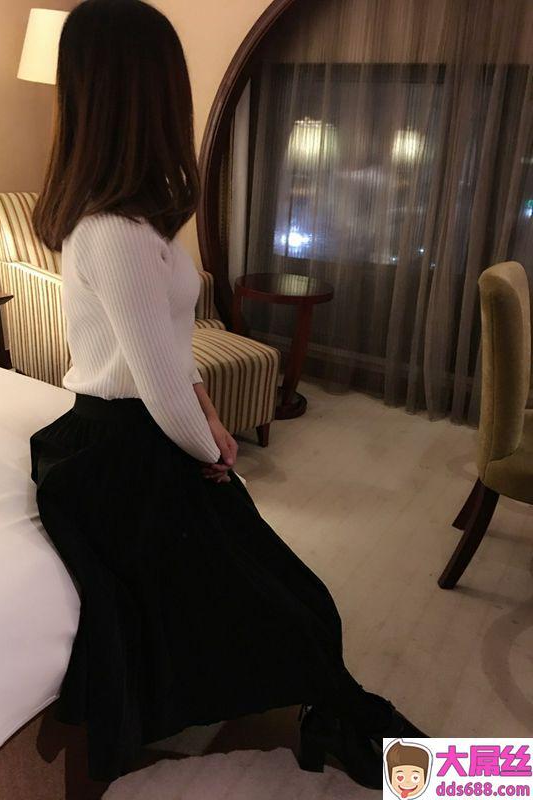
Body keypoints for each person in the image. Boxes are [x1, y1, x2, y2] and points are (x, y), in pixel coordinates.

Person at [30, 0, 426, 790]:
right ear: (146, 96)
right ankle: (430, 766)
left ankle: (364, 733)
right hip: (123, 452)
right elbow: (155, 386)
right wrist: (208, 444)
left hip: (144, 437)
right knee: (289, 606)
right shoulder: (112, 232)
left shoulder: (133, 223)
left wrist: (209, 417)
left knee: (296, 598)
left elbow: (171, 356)